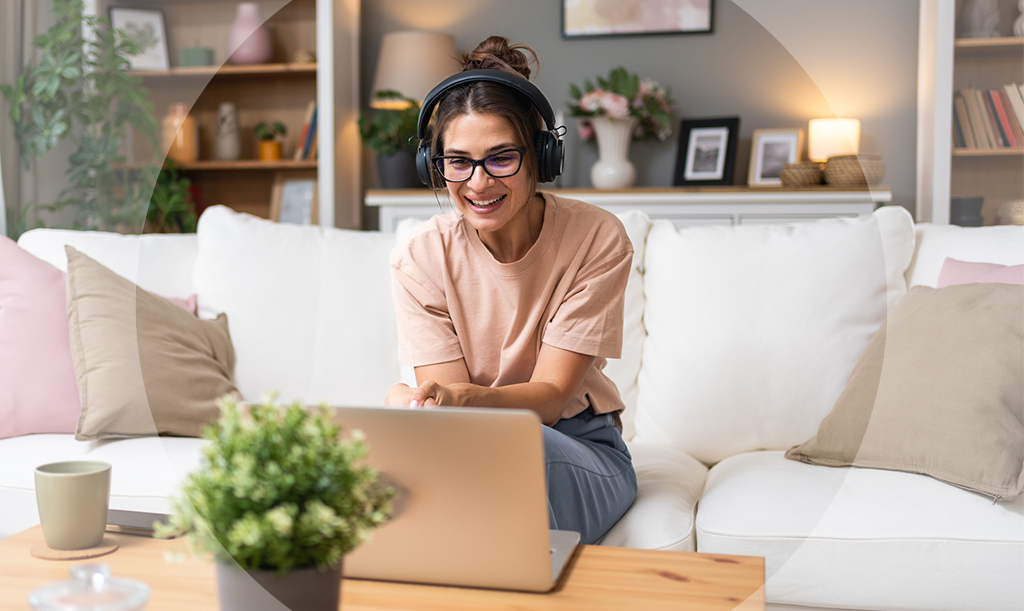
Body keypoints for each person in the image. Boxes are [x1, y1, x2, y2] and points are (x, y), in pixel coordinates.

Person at [384, 35, 637, 545]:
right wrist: (418, 409)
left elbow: (547, 401)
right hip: (472, 445)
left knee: (512, 461)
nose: (477, 183)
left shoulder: (596, 238)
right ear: (434, 166)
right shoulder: (420, 258)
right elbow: (450, 423)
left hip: (580, 446)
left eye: (501, 158)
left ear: (542, 155)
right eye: (457, 162)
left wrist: (453, 400)